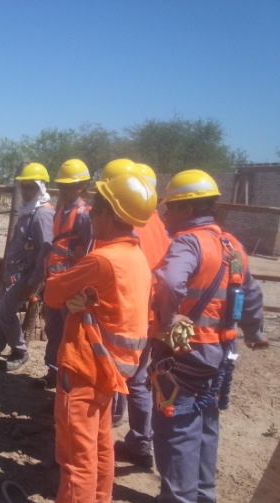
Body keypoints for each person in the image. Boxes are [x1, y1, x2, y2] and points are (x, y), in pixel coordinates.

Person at [23, 173, 156, 503]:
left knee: (76, 458)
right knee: (100, 447)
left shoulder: (103, 259)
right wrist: (88, 299)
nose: (92, 215)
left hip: (84, 368)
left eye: (98, 209)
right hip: (112, 371)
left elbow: (52, 292)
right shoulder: (136, 257)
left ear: (114, 215)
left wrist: (77, 293)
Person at [148, 169, 267, 503]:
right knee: (206, 425)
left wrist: (168, 321)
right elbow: (252, 293)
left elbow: (169, 281)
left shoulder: (188, 242)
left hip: (187, 354)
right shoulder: (232, 245)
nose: (165, 217)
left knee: (177, 429)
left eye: (169, 209)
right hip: (222, 352)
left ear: (184, 208)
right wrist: (255, 331)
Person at [109, 161, 171, 468]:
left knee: (117, 373)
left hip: (132, 313)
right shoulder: (158, 221)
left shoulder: (132, 226)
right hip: (152, 314)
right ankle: (140, 440)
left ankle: (105, 436)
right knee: (140, 377)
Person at [0, 163, 53, 373]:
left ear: (40, 187)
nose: (26, 191)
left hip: (24, 275)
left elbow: (45, 254)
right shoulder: (28, 211)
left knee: (5, 312)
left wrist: (32, 283)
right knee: (1, 313)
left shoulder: (42, 215)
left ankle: (20, 350)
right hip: (12, 272)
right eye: (24, 187)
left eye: (30, 187)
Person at [43, 159, 93, 387]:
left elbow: (87, 255)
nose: (63, 190)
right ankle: (53, 373)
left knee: (68, 334)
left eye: (68, 186)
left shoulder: (85, 215)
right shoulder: (60, 210)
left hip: (70, 285)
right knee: (53, 330)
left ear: (81, 187)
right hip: (55, 281)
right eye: (61, 185)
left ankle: (65, 380)